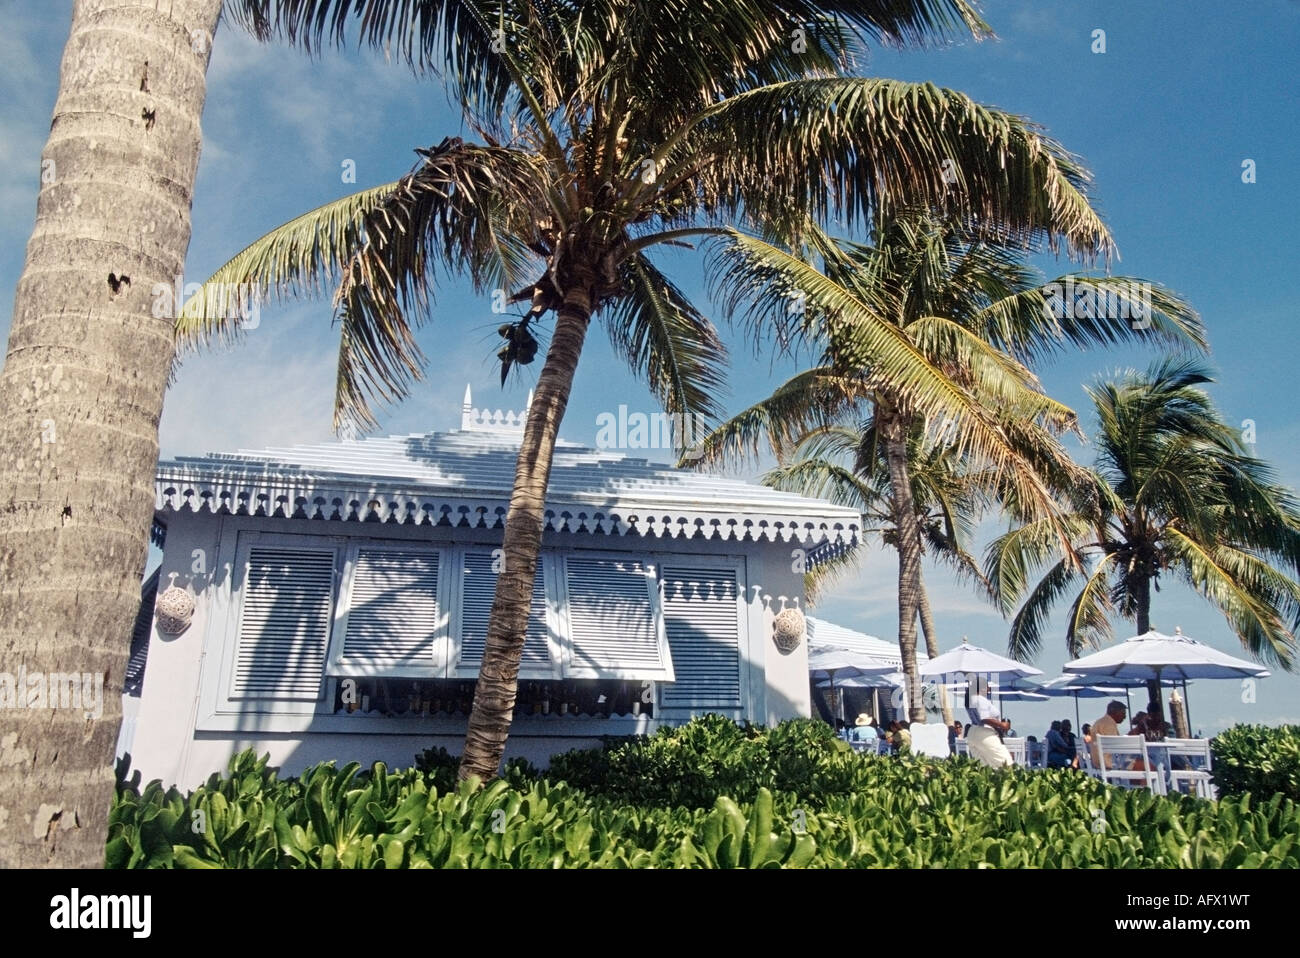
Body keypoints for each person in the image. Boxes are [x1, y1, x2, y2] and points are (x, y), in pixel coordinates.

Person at [963, 674, 1013, 768]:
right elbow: (985, 718)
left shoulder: (971, 699)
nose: (989, 690)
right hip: (984, 733)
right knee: (1006, 765)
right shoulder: (980, 699)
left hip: (973, 732)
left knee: (985, 768)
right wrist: (1003, 725)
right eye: (988, 687)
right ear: (983, 688)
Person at [1089, 700, 1128, 769]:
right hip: (1109, 762)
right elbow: (1117, 746)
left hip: (1098, 761)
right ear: (1114, 712)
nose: (1125, 717)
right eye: (1123, 713)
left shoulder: (1100, 722)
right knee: (1148, 766)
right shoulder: (1109, 724)